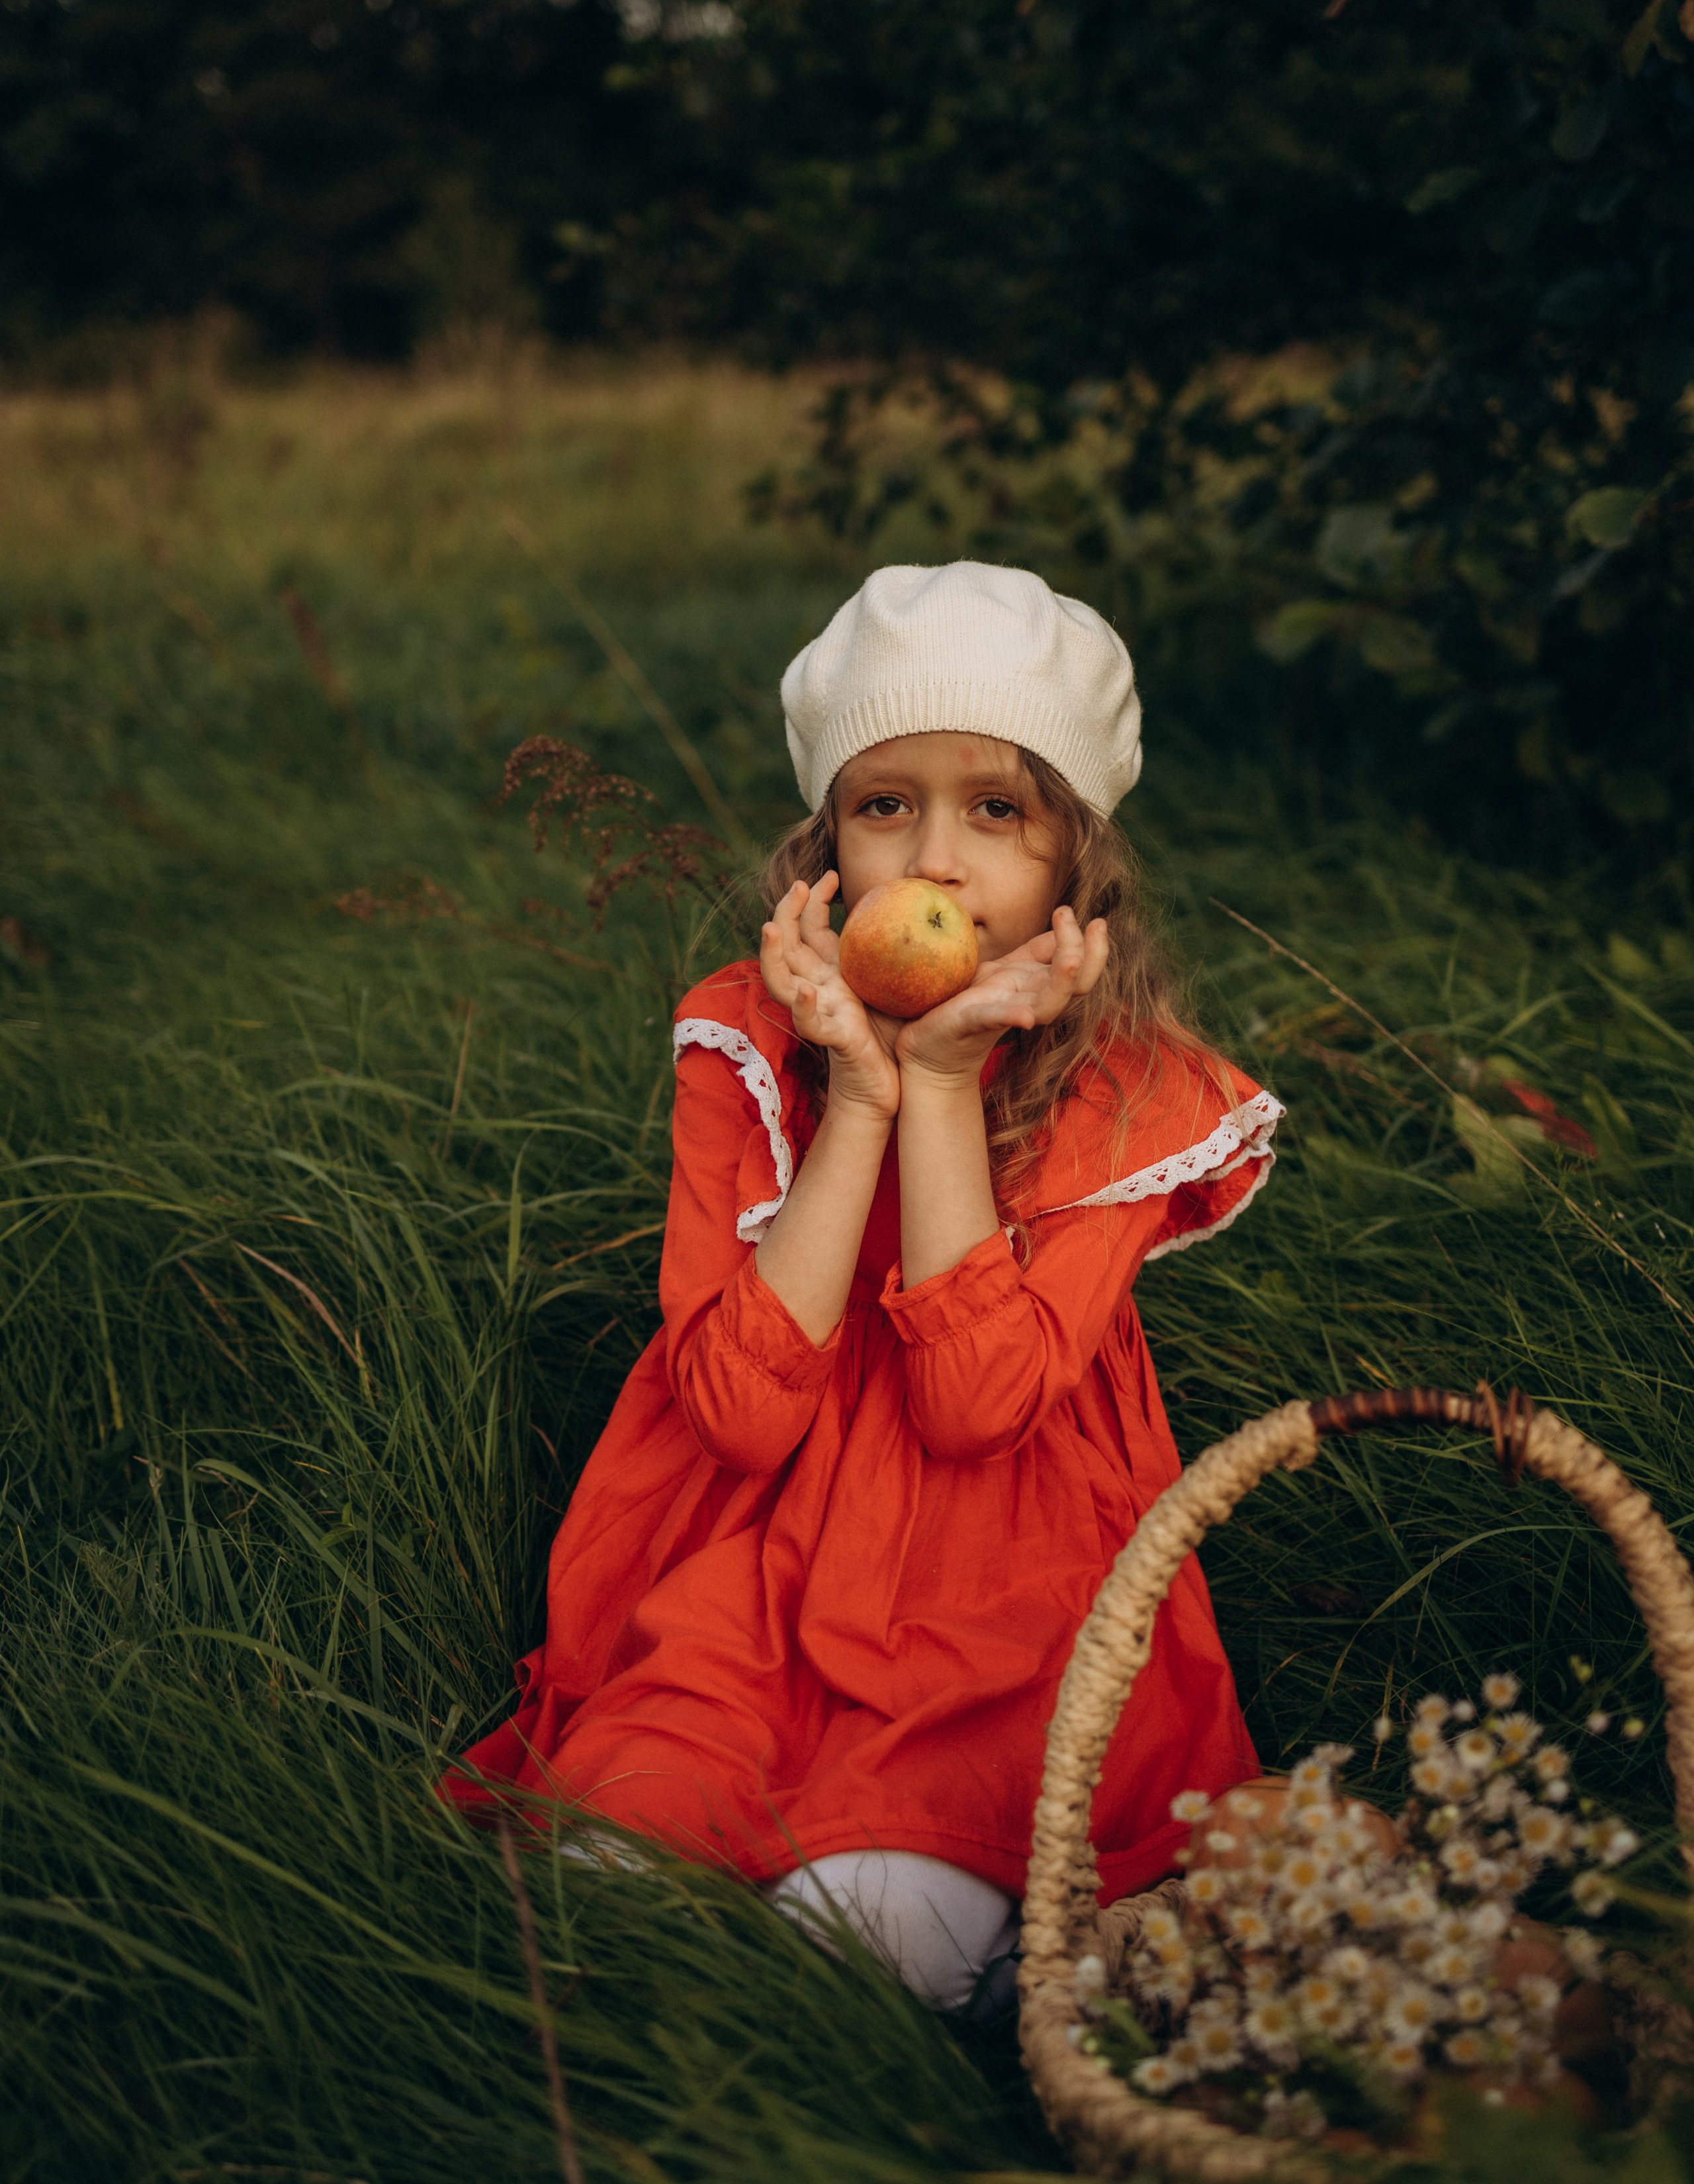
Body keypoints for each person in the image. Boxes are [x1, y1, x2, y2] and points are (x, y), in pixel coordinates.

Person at [446, 561, 1280, 2013]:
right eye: (884, 805)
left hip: (997, 1581)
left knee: (863, 1939)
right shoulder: (748, 1043)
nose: (933, 865)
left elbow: (972, 1408)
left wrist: (944, 1082)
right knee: (598, 1902)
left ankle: (988, 1943)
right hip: (745, 1557)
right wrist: (856, 1094)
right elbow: (739, 1417)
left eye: (996, 810)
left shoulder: (1128, 1093)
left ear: (1078, 866)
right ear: (823, 845)